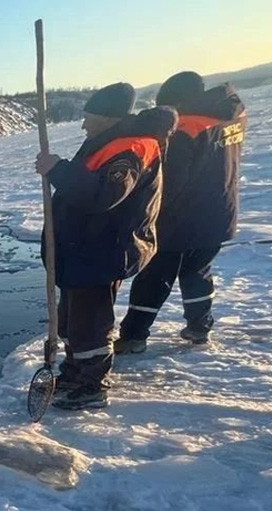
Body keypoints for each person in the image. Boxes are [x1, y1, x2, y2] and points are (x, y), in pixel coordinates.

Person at [34, 83, 178, 410]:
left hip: (101, 251)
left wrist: (58, 169)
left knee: (90, 324)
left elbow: (103, 195)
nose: (83, 124)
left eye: (89, 117)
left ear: (108, 117)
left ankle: (92, 386)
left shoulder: (130, 150)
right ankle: (75, 372)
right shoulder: (109, 142)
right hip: (84, 248)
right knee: (72, 320)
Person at [116, 72, 247, 351]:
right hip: (220, 211)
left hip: (182, 217)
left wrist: (147, 211)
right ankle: (200, 327)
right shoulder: (230, 115)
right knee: (197, 270)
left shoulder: (186, 127)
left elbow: (171, 180)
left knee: (154, 273)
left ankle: (134, 336)